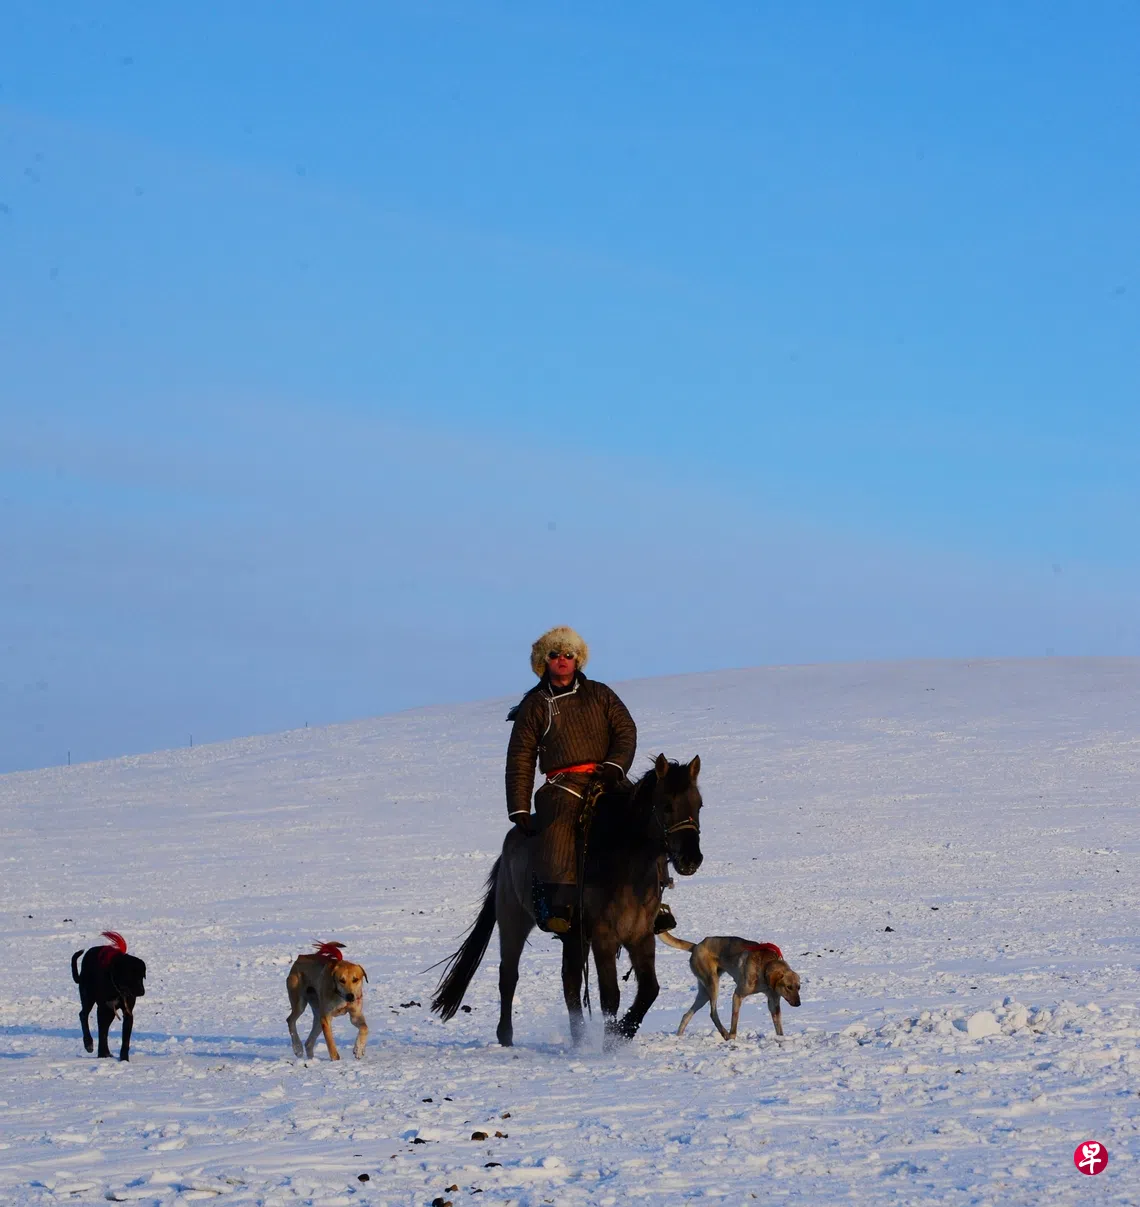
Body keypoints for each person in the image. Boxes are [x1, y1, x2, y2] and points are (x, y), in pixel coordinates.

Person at [505, 626, 636, 934]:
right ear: (544, 661)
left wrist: (615, 766)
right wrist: (519, 807)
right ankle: (560, 903)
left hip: (607, 776)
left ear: (578, 659)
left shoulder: (600, 693)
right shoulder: (536, 704)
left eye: (568, 654)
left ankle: (652, 895)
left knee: (642, 812)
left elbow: (625, 730)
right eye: (555, 654)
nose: (562, 659)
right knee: (558, 823)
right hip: (562, 783)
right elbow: (521, 756)